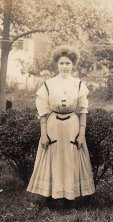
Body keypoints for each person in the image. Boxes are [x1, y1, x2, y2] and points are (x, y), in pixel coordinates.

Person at [27, 45, 95, 205]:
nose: (64, 66)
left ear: (73, 65)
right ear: (57, 64)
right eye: (62, 63)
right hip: (53, 127)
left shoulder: (78, 84)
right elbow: (43, 112)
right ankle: (51, 196)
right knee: (54, 159)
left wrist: (82, 134)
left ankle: (70, 197)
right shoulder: (48, 85)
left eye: (68, 63)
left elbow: (83, 111)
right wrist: (43, 135)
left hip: (72, 126)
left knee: (70, 160)